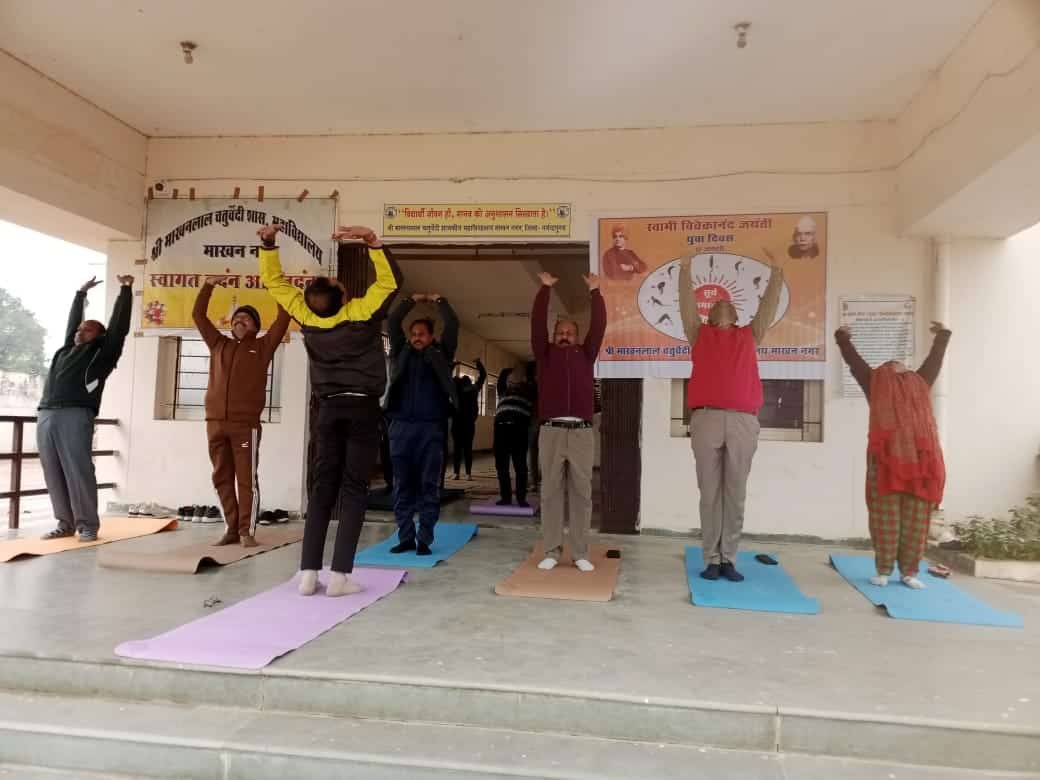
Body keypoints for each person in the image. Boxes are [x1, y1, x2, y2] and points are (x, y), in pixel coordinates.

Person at [258, 222, 401, 597]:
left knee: (322, 489)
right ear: (343, 296)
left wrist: (269, 244)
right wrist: (372, 242)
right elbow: (390, 283)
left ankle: (308, 574)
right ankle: (339, 576)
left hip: (328, 410)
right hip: (362, 409)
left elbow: (274, 283)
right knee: (354, 489)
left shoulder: (305, 316)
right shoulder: (361, 312)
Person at [679, 250, 784, 582]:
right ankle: (711, 558)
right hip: (706, 419)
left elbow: (768, 308)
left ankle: (728, 558)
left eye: (727, 305)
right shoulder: (698, 334)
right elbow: (685, 305)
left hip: (742, 421)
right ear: (708, 314)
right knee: (709, 493)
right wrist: (685, 268)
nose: (722, 306)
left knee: (735, 493)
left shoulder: (749, 334)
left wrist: (777, 271)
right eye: (716, 304)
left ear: (737, 315)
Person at [836, 322, 951, 589]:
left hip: (921, 464)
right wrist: (842, 338)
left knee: (916, 523)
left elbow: (935, 360)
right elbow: (855, 363)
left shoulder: (920, 382)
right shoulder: (875, 383)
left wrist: (942, 336)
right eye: (890, 363)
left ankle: (909, 572)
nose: (895, 364)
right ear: (883, 371)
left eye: (899, 363)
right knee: (885, 520)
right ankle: (884, 570)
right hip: (886, 462)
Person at [192, 280, 290, 548]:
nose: (240, 320)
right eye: (237, 317)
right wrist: (208, 287)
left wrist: (274, 287)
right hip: (215, 423)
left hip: (245, 426)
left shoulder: (263, 346)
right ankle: (231, 529)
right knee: (220, 477)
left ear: (256, 326)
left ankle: (247, 531)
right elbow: (198, 315)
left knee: (246, 479)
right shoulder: (218, 344)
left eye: (246, 318)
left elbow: (284, 316)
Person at [39, 274, 134, 542]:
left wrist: (125, 290)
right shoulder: (66, 349)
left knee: (78, 469)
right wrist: (80, 294)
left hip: (76, 413)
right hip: (46, 413)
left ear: (101, 336)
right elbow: (72, 325)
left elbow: (119, 327)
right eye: (80, 329)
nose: (80, 331)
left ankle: (88, 525)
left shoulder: (103, 352)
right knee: (53, 470)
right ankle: (65, 523)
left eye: (88, 329)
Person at [531, 271, 606, 571]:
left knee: (581, 493)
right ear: (553, 336)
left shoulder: (586, 355)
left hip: (581, 433)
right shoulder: (545, 355)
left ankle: (580, 553)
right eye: (560, 332)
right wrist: (544, 290)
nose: (564, 335)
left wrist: (596, 293)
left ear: (577, 336)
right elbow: (536, 325)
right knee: (550, 492)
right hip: (551, 431)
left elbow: (598, 327)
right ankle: (551, 551)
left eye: (569, 332)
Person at [385, 293, 459, 554]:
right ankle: (405, 537)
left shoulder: (442, 354)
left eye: (422, 334)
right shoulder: (400, 352)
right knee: (402, 484)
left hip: (431, 428)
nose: (417, 337)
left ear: (431, 337)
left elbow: (453, 324)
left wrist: (440, 302)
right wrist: (410, 300)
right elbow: (393, 322)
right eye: (414, 334)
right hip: (400, 427)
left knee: (429, 485)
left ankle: (424, 539)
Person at [493, 366, 535, 506]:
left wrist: (526, 378)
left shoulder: (527, 393)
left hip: (518, 429)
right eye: (511, 382)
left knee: (520, 466)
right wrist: (505, 372)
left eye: (516, 381)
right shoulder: (504, 393)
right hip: (501, 429)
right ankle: (506, 498)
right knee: (501, 466)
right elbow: (501, 382)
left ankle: (521, 498)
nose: (513, 384)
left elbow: (533, 385)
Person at [451, 359, 486, 480]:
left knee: (457, 449)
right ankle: (468, 474)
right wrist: (478, 363)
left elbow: (447, 378)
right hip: (469, 424)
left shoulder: (457, 390)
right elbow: (483, 376)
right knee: (468, 449)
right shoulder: (473, 390)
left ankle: (456, 473)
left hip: (457, 423)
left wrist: (453, 365)